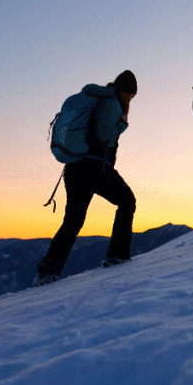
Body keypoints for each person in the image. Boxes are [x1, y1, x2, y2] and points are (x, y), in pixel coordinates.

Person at [34, 70, 138, 286]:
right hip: (95, 167)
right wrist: (123, 124)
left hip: (74, 167)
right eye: (132, 96)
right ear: (127, 92)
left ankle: (48, 271)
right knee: (127, 201)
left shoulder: (96, 97)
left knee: (72, 221)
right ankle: (116, 255)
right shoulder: (112, 102)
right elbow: (104, 134)